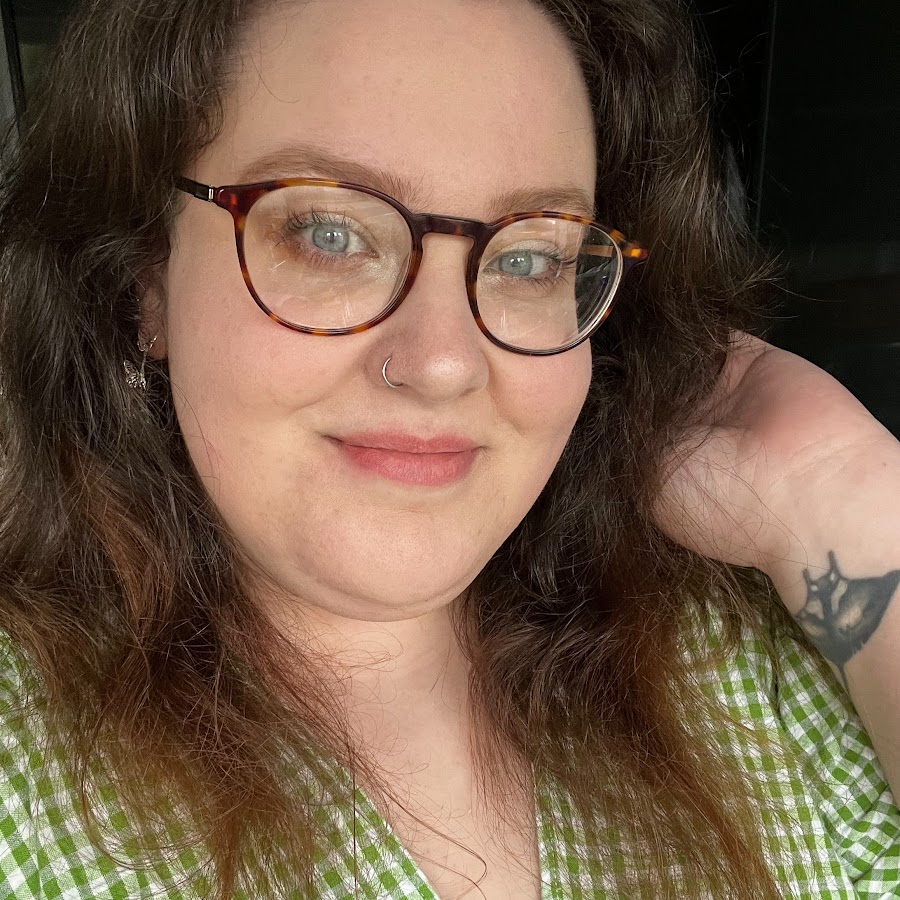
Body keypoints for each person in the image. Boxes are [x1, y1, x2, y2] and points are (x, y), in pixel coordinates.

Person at [0, 0, 897, 897]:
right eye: (328, 235)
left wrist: (843, 497)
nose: (442, 363)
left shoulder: (739, 662)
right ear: (146, 281)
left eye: (529, 258)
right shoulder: (25, 775)